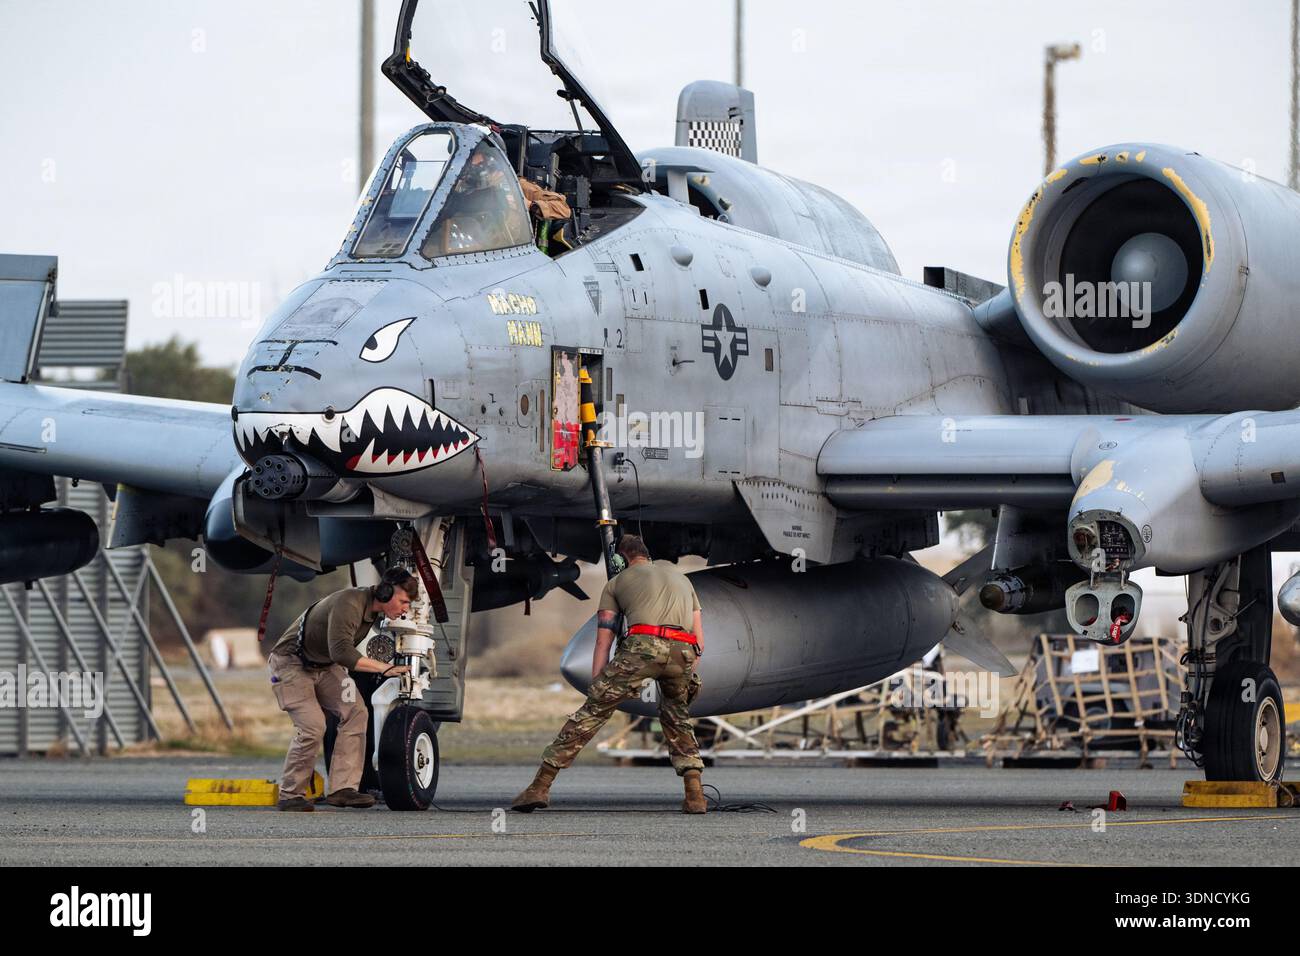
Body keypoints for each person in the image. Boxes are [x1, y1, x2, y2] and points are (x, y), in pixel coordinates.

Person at [511, 534, 708, 814]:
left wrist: (597, 687)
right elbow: (699, 641)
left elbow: (603, 639)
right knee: (678, 718)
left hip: (643, 646)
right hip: (683, 651)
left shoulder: (616, 583)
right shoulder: (682, 579)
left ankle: (539, 787)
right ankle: (695, 795)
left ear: (620, 559)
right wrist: (684, 673)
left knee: (591, 715)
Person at [268, 568, 417, 811]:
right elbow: (342, 652)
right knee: (314, 725)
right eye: (403, 602)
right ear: (385, 592)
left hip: (324, 666)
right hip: (290, 663)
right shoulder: (350, 603)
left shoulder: (371, 613)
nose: (404, 609)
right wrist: (384, 669)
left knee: (357, 712)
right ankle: (290, 795)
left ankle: (342, 789)